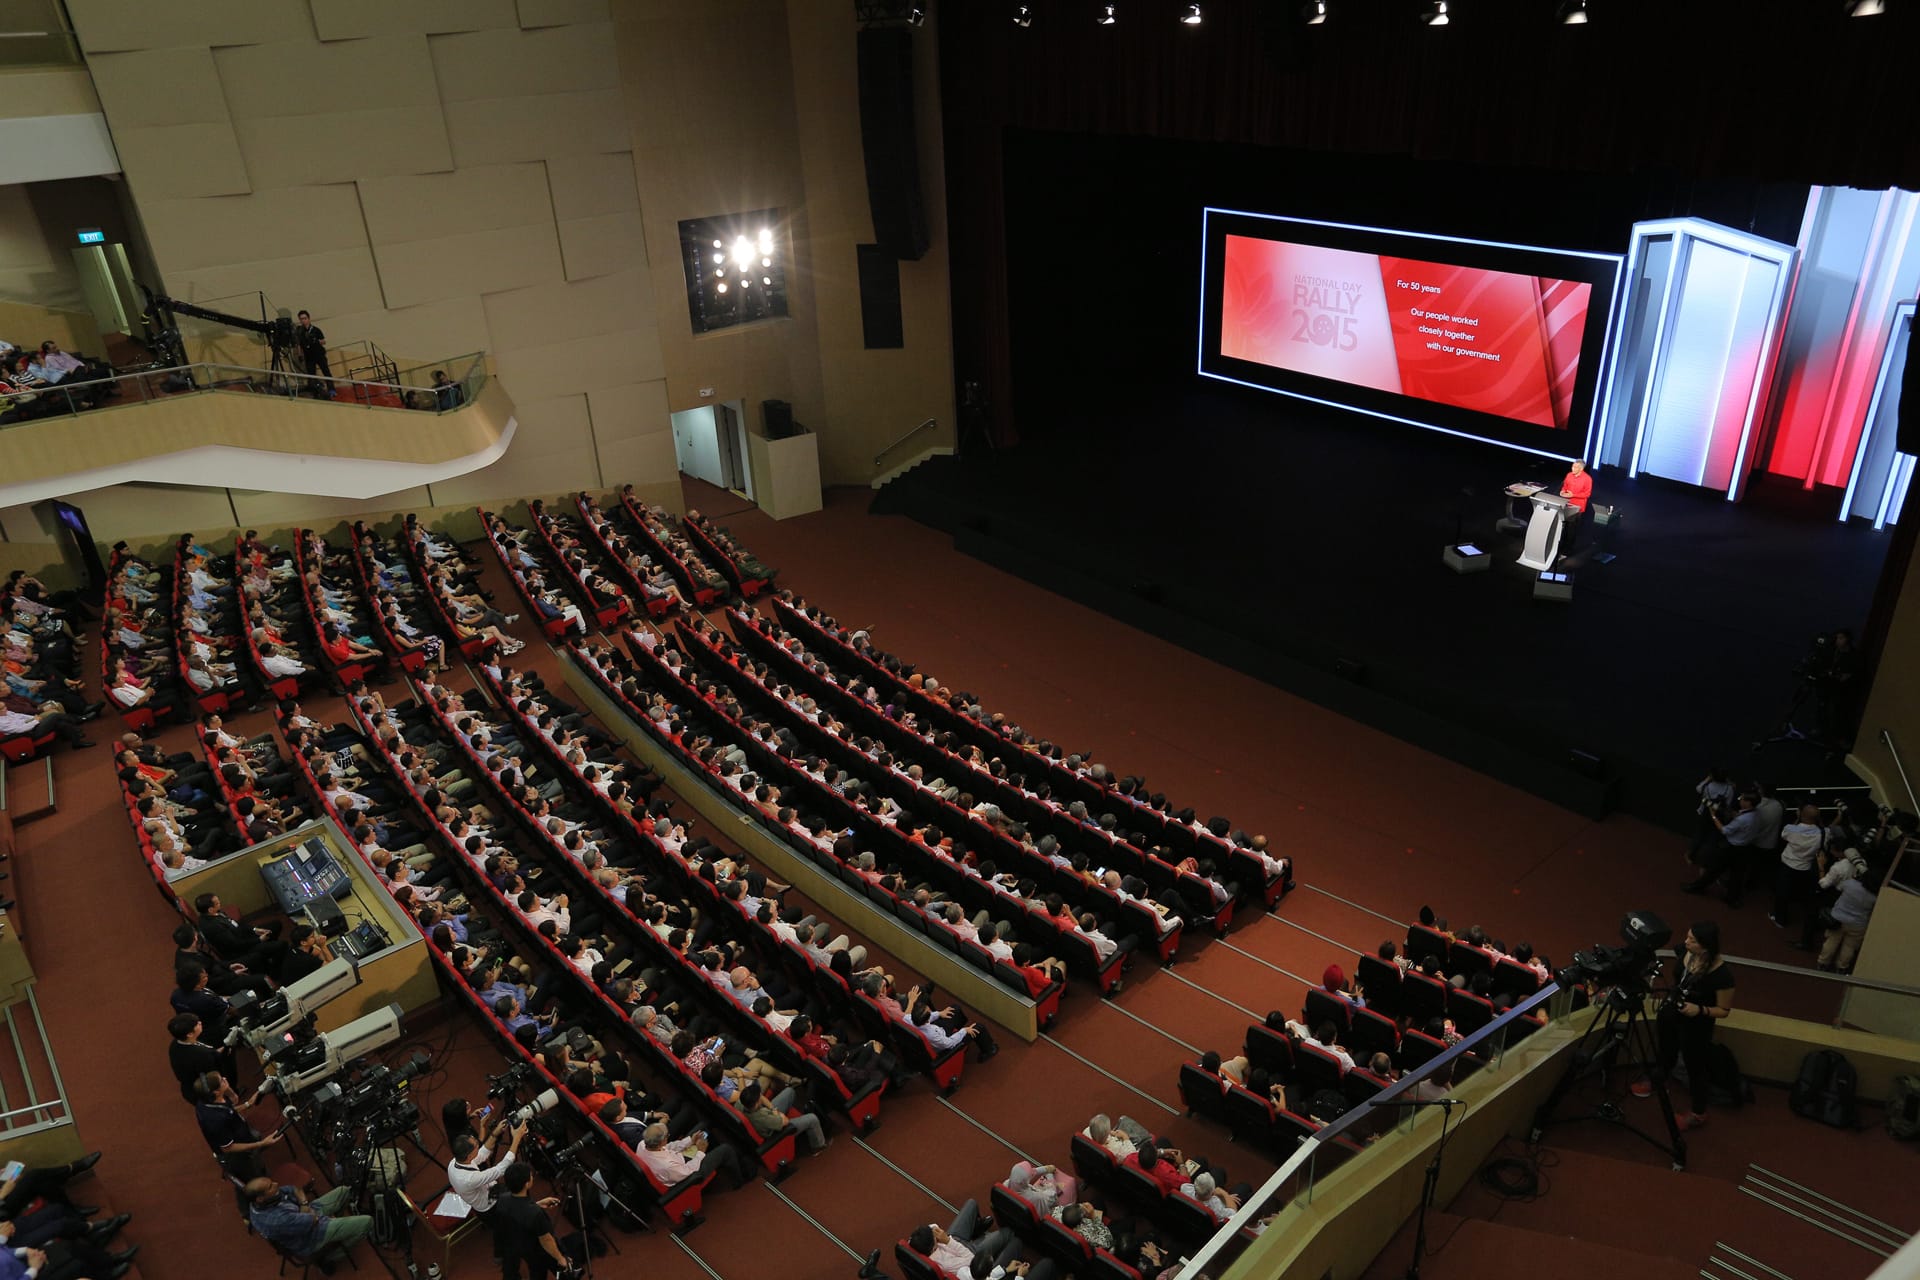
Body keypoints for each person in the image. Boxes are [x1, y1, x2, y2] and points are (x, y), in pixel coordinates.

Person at [1633, 921, 1734, 1131]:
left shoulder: (1722, 976)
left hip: (1697, 1024)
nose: (1685, 941)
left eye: (1692, 940)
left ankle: (1698, 1113)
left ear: (1705, 946)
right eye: (1687, 936)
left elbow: (1724, 1010)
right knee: (1665, 1049)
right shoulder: (1685, 952)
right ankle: (1660, 1079)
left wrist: (1700, 1010)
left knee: (1695, 1066)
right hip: (1673, 1012)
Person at [245, 1177, 374, 1262]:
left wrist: (305, 1204)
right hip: (311, 1237)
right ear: (260, 1198)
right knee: (367, 1222)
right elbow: (313, 1221)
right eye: (270, 1187)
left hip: (306, 1213)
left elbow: (295, 1188)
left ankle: (337, 1229)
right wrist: (308, 1213)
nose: (276, 1184)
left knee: (344, 1190)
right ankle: (329, 1258)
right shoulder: (276, 1220)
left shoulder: (261, 1201)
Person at [492, 1162, 572, 1279]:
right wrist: (561, 1259)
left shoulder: (503, 1199)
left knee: (534, 1270)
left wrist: (536, 1204)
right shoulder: (536, 1214)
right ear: (527, 1184)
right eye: (530, 1176)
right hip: (536, 1250)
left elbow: (516, 1210)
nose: (532, 1177)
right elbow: (547, 1240)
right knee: (542, 1271)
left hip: (519, 1246)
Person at [448, 1117, 528, 1219]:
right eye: (476, 1144)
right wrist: (517, 1138)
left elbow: (482, 1153)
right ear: (469, 1155)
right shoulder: (470, 1179)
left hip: (488, 1190)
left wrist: (495, 1133)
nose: (478, 1143)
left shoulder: (455, 1161)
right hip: (491, 1206)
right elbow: (500, 1169)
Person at [1558, 459, 1593, 549]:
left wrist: (1573, 495)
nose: (1572, 468)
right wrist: (1562, 491)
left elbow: (1587, 494)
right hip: (1566, 504)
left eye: (1575, 467)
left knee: (1572, 529)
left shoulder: (1587, 479)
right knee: (1562, 526)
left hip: (1577, 507)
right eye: (1572, 466)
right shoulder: (1569, 475)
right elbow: (1565, 486)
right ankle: (1559, 546)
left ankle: (1568, 549)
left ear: (1581, 469)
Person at [294, 310, 331, 389]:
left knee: (326, 371)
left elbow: (323, 341)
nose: (303, 320)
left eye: (305, 318)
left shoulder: (315, 330)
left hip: (319, 354)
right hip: (309, 356)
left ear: (309, 318)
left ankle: (332, 389)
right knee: (311, 374)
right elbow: (299, 344)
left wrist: (315, 340)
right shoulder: (300, 331)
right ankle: (313, 390)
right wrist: (300, 354)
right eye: (301, 319)